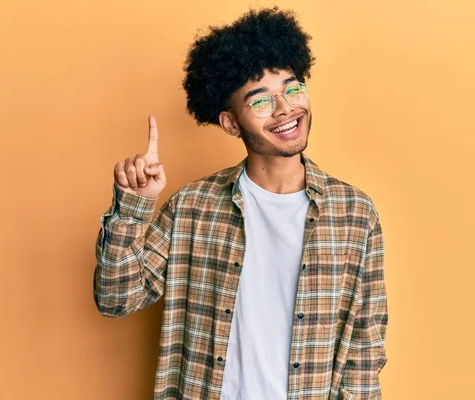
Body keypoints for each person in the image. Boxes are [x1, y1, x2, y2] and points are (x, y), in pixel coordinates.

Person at [94, 7, 388, 400]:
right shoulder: (193, 208)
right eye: (261, 101)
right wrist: (133, 207)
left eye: (293, 89)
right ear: (231, 123)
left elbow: (364, 352)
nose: (286, 109)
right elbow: (116, 299)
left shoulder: (354, 214)